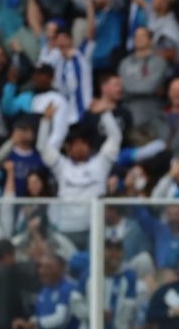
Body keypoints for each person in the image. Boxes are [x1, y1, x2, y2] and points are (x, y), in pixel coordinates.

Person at [37, 103, 121, 250]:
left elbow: (115, 138)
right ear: (68, 149)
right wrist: (45, 122)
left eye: (84, 143)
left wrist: (106, 113)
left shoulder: (100, 164)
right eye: (75, 144)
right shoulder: (61, 167)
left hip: (93, 229)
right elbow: (42, 148)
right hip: (66, 230)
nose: (80, 147)